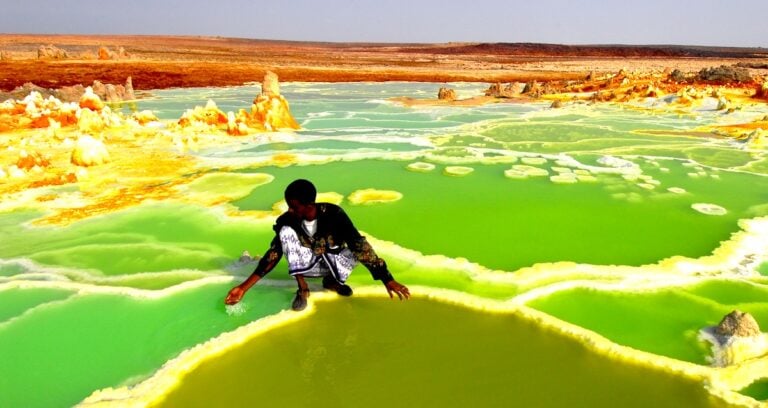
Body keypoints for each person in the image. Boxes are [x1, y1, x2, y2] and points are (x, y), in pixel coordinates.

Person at [225, 179, 410, 311]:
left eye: (294, 206)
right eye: (289, 205)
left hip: (331, 262)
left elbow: (358, 244)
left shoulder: (333, 214)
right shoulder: (287, 220)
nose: (290, 210)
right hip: (305, 265)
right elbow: (273, 255)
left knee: (358, 247)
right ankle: (303, 289)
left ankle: (331, 281)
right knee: (285, 233)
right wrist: (243, 288)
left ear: (309, 205)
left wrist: (387, 279)